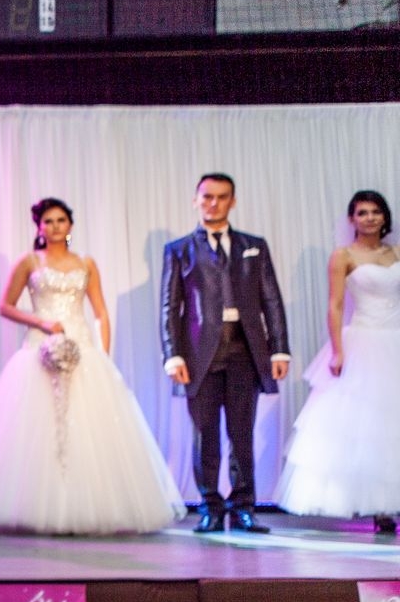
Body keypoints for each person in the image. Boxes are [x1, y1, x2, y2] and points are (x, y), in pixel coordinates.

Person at [0, 199, 184, 534]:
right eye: (48, 221)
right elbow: (5, 306)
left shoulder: (85, 263)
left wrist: (103, 353)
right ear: (39, 227)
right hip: (40, 347)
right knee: (38, 426)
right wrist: (40, 322)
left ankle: (87, 506)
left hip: (82, 348)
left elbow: (101, 312)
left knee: (89, 429)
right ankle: (39, 506)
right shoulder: (29, 261)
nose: (55, 226)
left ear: (70, 225)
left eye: (61, 220)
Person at [161, 173, 291, 533]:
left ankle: (244, 506)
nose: (213, 203)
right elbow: (169, 307)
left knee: (241, 432)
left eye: (221, 197)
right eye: (207, 197)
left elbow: (271, 300)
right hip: (198, 355)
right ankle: (211, 506)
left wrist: (279, 350)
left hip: (244, 351)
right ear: (196, 200)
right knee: (205, 435)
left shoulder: (254, 246)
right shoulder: (179, 250)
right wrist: (173, 355)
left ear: (232, 201)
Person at [277, 190, 400, 532]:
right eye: (362, 213)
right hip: (364, 341)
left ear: (384, 216)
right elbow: (335, 305)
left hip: (396, 340)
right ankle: (376, 506)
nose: (370, 218)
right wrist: (337, 350)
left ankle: (391, 504)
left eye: (375, 212)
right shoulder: (343, 255)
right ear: (352, 219)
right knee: (368, 425)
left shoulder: (397, 253)